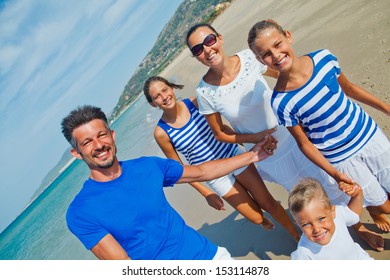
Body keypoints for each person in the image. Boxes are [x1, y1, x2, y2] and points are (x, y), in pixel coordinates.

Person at [247, 19, 390, 251]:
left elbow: (350, 88)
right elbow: (304, 143)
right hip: (341, 158)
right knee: (383, 206)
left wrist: (386, 107)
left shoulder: (324, 58)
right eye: (266, 54)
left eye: (278, 44)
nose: (275, 55)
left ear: (288, 37)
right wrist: (334, 173)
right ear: (260, 60)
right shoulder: (281, 101)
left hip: (369, 136)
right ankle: (378, 212)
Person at [60, 105, 273, 260]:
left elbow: (201, 171)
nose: (98, 145)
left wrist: (252, 156)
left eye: (101, 135)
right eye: (87, 142)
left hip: (209, 257)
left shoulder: (147, 166)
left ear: (112, 135)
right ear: (76, 153)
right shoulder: (81, 212)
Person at [143, 75, 301, 241]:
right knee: (255, 217)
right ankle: (262, 220)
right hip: (215, 176)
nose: (164, 97)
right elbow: (180, 171)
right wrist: (206, 193)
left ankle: (297, 235)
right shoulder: (161, 133)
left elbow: (222, 129)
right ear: (153, 103)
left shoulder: (196, 103)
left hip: (233, 157)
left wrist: (250, 142)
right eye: (157, 96)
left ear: (172, 88)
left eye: (165, 90)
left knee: (267, 202)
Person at [288, 178, 373, 260]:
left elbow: (354, 215)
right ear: (298, 224)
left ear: (332, 212)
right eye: (306, 224)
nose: (316, 229)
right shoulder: (304, 253)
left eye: (321, 219)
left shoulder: (338, 214)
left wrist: (357, 194)